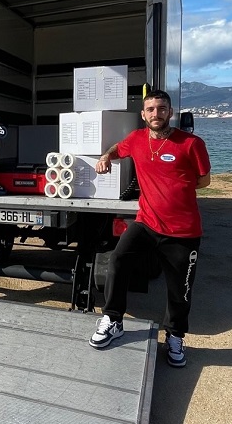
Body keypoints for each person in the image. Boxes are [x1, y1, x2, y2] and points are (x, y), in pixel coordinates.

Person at [89, 90, 211, 368]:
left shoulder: (191, 143)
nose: (156, 114)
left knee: (180, 288)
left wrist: (175, 189)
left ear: (170, 112)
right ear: (143, 115)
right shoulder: (136, 140)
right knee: (118, 261)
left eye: (162, 108)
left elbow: (204, 181)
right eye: (151, 109)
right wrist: (106, 157)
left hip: (183, 230)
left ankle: (176, 336)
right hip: (146, 223)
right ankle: (114, 319)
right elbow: (116, 149)